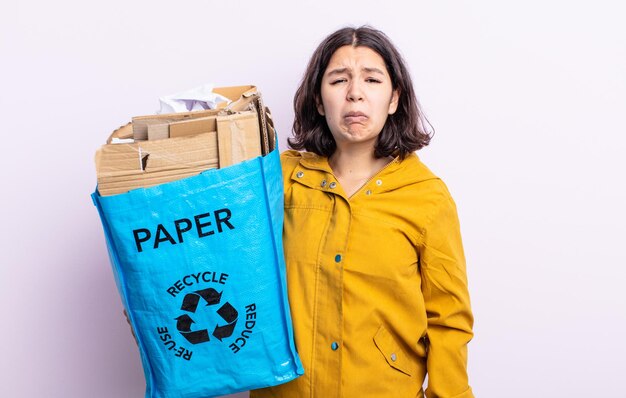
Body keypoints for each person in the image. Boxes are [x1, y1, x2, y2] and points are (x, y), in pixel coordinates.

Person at [251, 26, 474, 398]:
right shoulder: (280, 179)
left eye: (372, 79)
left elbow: (449, 320)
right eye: (339, 80)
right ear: (319, 101)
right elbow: (223, 250)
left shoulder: (427, 197)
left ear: (393, 99)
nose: (355, 92)